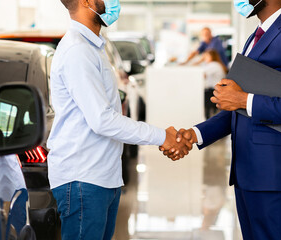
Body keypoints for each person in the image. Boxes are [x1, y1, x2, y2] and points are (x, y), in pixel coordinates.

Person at [163, 0, 281, 239]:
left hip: (275, 177)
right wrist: (196, 134)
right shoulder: (257, 36)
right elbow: (237, 109)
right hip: (250, 172)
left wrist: (245, 100)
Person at [47, 0, 191, 239]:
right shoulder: (78, 50)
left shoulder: (93, 46)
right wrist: (162, 136)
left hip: (101, 176)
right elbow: (102, 120)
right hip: (83, 179)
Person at [202, 50, 228, 119]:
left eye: (207, 56)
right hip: (218, 90)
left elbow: (202, 75)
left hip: (212, 91)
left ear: (212, 56)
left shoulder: (213, 65)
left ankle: (207, 118)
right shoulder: (218, 64)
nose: (205, 58)